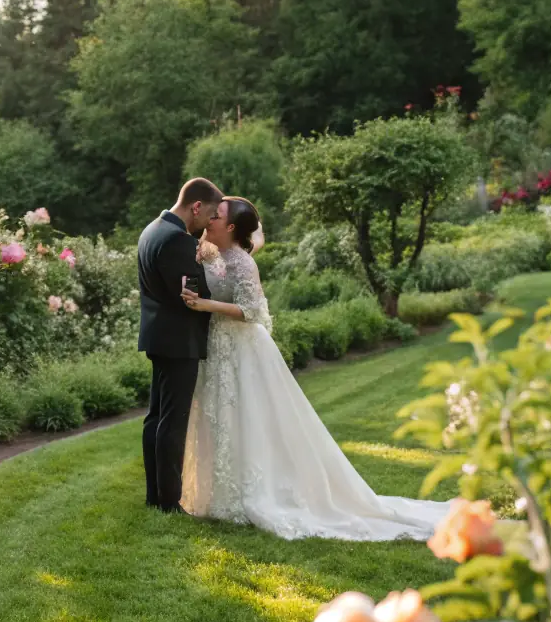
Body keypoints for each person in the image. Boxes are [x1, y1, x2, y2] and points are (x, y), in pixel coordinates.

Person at [178, 196, 448, 540]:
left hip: (242, 347)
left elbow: (253, 311)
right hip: (216, 347)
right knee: (219, 416)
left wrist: (205, 305)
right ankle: (217, 494)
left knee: (247, 417)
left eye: (216, 216)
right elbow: (234, 241)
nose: (209, 218)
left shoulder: (244, 264)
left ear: (230, 227)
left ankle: (253, 495)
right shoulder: (211, 250)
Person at [137, 177, 223, 513]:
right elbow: (196, 295)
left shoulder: (152, 230)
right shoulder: (175, 239)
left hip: (158, 336)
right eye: (211, 214)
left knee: (156, 417)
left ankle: (154, 496)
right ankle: (169, 502)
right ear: (196, 206)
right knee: (172, 422)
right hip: (178, 341)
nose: (210, 222)